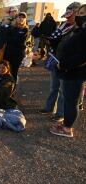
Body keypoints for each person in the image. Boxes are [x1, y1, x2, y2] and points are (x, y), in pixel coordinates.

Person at [39, 2, 81, 122]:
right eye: (67, 14)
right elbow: (57, 39)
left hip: (67, 63)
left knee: (63, 90)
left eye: (71, 14)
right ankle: (49, 107)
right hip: (56, 59)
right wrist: (50, 42)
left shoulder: (79, 29)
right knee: (54, 87)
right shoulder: (62, 26)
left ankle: (60, 114)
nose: (68, 18)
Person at [50, 4, 86, 138]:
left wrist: (64, 64)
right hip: (69, 71)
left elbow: (81, 57)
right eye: (78, 13)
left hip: (75, 73)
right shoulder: (80, 31)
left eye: (82, 13)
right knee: (68, 100)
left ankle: (67, 129)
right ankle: (66, 123)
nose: (78, 16)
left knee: (72, 102)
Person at [4, 12, 29, 82]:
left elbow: (20, 41)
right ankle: (5, 87)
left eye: (23, 17)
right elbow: (7, 39)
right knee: (6, 70)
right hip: (8, 53)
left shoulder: (25, 30)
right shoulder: (11, 27)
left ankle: (12, 87)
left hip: (18, 54)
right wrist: (14, 38)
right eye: (19, 17)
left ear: (25, 20)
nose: (21, 19)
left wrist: (12, 38)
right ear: (16, 18)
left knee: (14, 72)